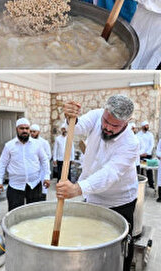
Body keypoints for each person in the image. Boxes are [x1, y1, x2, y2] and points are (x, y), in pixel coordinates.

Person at [56, 95, 140, 271]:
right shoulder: (96, 116)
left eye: (115, 125)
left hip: (119, 201)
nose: (107, 128)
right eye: (106, 121)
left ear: (127, 122)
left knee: (120, 246)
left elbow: (110, 173)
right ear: (104, 112)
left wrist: (78, 188)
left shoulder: (130, 143)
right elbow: (76, 128)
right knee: (91, 237)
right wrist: (71, 116)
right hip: (93, 196)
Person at [0, 118, 50, 212]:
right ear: (17, 129)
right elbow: (2, 163)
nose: (24, 130)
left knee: (34, 212)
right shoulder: (9, 145)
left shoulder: (37, 144)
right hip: (16, 185)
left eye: (26, 128)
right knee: (15, 213)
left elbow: (44, 160)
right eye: (21, 128)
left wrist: (47, 176)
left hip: (34, 184)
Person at [30, 124, 52, 199]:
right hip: (32, 169)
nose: (32, 133)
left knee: (42, 190)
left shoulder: (44, 142)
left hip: (42, 169)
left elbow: (48, 156)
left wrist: (40, 160)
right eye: (31, 131)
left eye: (34, 131)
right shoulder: (28, 142)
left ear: (38, 132)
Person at [137, 120, 156, 188]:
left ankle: (151, 184)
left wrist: (147, 153)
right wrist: (141, 153)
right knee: (140, 169)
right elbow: (138, 146)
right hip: (141, 155)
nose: (147, 127)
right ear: (142, 126)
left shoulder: (150, 135)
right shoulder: (138, 135)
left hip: (148, 155)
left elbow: (152, 144)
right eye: (146, 125)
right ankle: (141, 185)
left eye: (147, 125)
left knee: (149, 169)